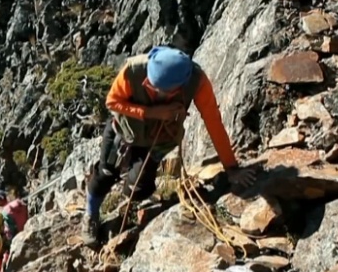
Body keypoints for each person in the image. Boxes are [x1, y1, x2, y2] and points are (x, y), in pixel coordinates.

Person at [82, 45, 256, 246]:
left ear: (178, 86)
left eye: (159, 89)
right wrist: (153, 113)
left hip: (159, 139)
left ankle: (130, 198)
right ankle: (90, 215)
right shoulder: (134, 70)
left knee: (139, 190)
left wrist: (231, 168)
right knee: (105, 173)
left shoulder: (197, 82)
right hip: (124, 131)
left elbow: (213, 123)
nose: (151, 87)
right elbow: (112, 102)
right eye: (151, 83)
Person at [0, 190, 29, 272]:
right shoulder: (17, 204)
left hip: (10, 237)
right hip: (24, 230)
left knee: (0, 251)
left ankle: (2, 270)